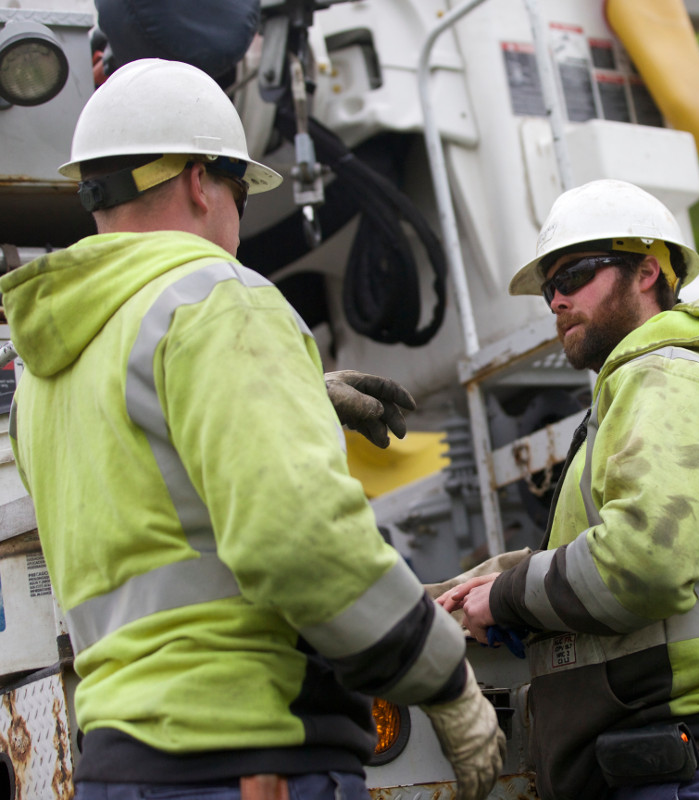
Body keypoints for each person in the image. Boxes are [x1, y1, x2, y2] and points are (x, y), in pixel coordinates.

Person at [0, 58, 503, 800]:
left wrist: (287, 393)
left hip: (120, 760)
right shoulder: (217, 298)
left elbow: (155, 488)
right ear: (203, 180)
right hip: (247, 754)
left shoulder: (43, 371)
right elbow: (300, 543)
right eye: (239, 190)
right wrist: (446, 680)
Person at [439, 179, 699, 799]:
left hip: (691, 761)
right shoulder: (634, 390)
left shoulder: (666, 378)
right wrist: (495, 588)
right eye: (549, 287)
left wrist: (509, 599)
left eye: (574, 275)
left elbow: (646, 562)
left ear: (647, 272)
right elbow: (615, 553)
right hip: (666, 759)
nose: (556, 300)